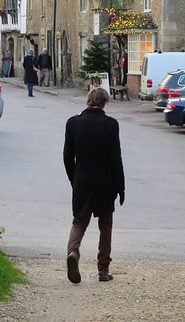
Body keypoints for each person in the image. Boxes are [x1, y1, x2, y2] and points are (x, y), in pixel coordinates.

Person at [63, 87, 125, 284]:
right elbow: (116, 159)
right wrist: (120, 187)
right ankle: (103, 269)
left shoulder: (73, 123)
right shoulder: (110, 124)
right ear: (105, 103)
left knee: (79, 222)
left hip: (82, 180)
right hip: (104, 182)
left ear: (87, 101)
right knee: (105, 225)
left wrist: (74, 179)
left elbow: (67, 157)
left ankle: (73, 252)